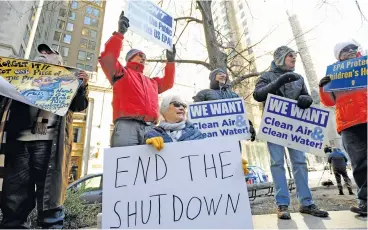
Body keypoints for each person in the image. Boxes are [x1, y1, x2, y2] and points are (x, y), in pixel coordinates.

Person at [0, 44, 89, 228]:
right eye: (41, 51)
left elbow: (79, 105)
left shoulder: (67, 80)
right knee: (14, 201)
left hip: (49, 147)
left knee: (50, 202)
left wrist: (82, 86)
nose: (43, 53)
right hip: (19, 146)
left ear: (59, 62)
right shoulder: (20, 76)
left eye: (49, 52)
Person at [253, 46, 328, 219]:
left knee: (300, 163)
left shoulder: (299, 78)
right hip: (275, 128)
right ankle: (282, 204)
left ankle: (307, 203)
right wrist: (279, 81)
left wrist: (306, 99)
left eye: (295, 56)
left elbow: (307, 96)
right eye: (290, 56)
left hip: (295, 128)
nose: (294, 59)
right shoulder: (266, 76)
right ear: (280, 58)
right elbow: (257, 95)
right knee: (277, 163)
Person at [99, 11, 176, 147]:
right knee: (125, 163)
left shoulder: (151, 82)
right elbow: (108, 59)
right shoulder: (121, 73)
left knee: (151, 165)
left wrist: (171, 61)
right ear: (129, 58)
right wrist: (119, 34)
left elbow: (168, 83)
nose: (143, 57)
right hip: (127, 126)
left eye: (144, 57)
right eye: (139, 55)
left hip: (151, 128)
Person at [319, 40, 367, 216]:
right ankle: (365, 203)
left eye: (353, 48)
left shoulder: (366, 65)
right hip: (349, 124)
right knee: (360, 164)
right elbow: (329, 101)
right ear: (338, 55)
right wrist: (323, 87)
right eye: (346, 50)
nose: (351, 51)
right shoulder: (334, 74)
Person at [145, 95, 249, 174]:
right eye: (177, 104)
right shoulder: (152, 134)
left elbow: (213, 157)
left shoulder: (197, 134)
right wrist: (147, 148)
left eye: (184, 106)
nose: (181, 108)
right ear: (165, 109)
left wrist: (234, 166)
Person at [193, 68, 256, 142]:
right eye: (219, 74)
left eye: (224, 74)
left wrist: (248, 126)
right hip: (212, 138)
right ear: (213, 77)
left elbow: (240, 115)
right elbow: (196, 118)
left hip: (232, 138)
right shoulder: (204, 93)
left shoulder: (233, 95)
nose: (223, 75)